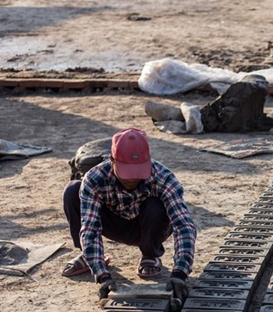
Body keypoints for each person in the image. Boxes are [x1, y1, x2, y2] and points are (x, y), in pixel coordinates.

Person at [61, 128, 196, 302]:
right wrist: (102, 276)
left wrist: (180, 272)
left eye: (137, 172)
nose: (132, 179)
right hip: (112, 224)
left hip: (147, 227)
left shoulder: (163, 177)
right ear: (112, 161)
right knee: (72, 190)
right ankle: (88, 257)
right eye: (127, 172)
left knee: (155, 206)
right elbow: (90, 229)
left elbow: (183, 225)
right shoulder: (94, 179)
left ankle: (150, 254)